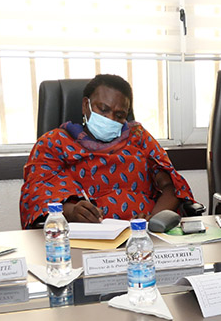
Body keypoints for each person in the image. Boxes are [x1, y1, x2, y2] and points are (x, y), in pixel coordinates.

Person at [19, 74, 194, 227]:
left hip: (144, 236)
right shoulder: (55, 143)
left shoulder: (138, 137)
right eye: (103, 110)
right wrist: (71, 212)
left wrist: (153, 221)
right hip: (85, 238)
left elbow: (172, 187)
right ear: (85, 106)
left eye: (119, 115)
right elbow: (38, 195)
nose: (110, 119)